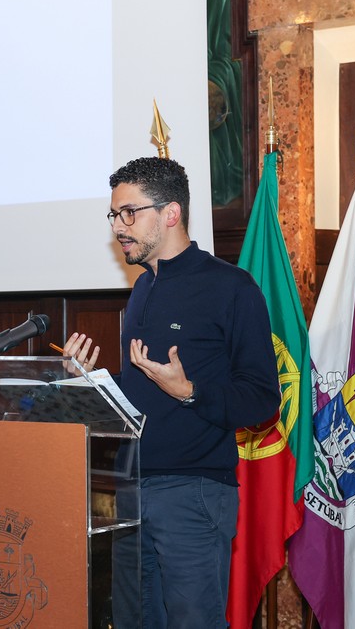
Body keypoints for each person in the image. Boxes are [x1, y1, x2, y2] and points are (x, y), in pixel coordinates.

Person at [63, 157, 279, 629]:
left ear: (171, 213)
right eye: (114, 215)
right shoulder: (141, 290)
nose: (119, 227)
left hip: (193, 492)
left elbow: (263, 399)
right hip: (128, 489)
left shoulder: (231, 287)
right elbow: (141, 391)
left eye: (129, 213)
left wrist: (190, 391)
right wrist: (90, 379)